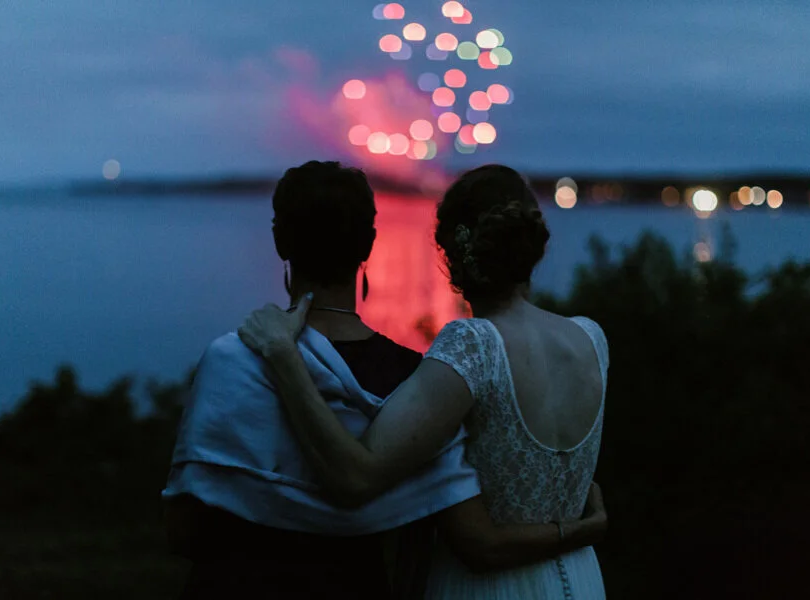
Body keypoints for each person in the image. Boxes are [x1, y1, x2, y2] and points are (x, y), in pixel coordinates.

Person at [164, 161, 607, 599]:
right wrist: (577, 529)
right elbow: (439, 522)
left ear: (280, 239)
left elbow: (184, 529)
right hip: (366, 585)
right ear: (369, 245)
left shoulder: (232, 358)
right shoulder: (418, 372)